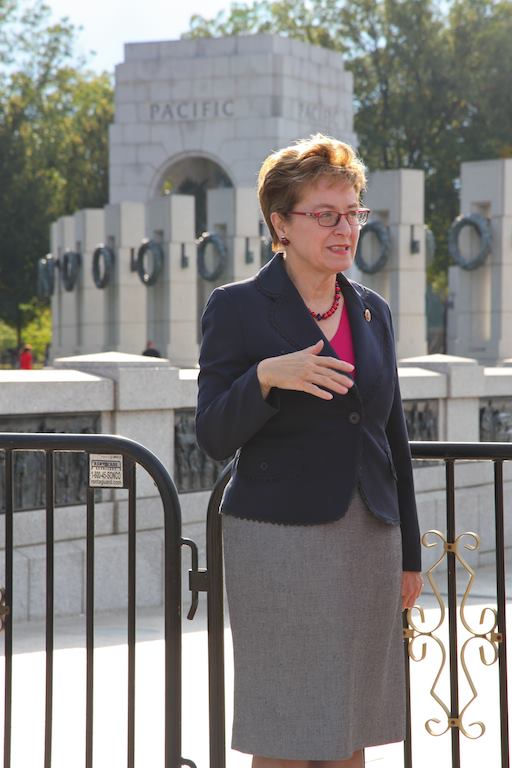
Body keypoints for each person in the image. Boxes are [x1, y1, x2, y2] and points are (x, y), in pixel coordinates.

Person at [196, 134, 423, 768]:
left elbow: (392, 437)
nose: (344, 227)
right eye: (326, 215)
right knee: (285, 730)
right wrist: (266, 377)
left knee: (353, 724)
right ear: (281, 223)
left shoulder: (372, 310)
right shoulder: (237, 307)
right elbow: (212, 433)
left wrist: (408, 552)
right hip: (278, 544)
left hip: (368, 540)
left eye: (353, 213)